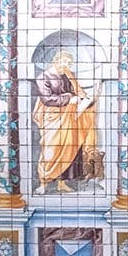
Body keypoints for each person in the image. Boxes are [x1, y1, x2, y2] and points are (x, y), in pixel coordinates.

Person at [32, 51, 99, 194]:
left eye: (69, 63)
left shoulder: (68, 75)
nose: (67, 66)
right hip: (52, 118)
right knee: (51, 150)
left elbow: (78, 91)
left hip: (70, 116)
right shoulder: (43, 77)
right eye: (65, 62)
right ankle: (43, 183)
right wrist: (69, 98)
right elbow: (47, 99)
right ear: (57, 60)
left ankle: (61, 183)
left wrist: (85, 99)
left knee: (69, 148)